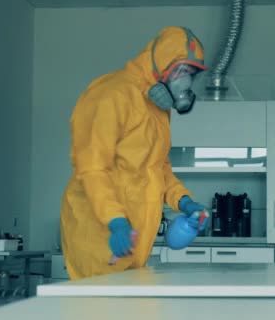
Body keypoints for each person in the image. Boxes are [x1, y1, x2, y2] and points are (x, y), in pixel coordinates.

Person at [61, 26, 210, 279]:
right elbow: (92, 167)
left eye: (192, 74)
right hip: (101, 238)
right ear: (161, 63)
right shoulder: (111, 94)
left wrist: (183, 201)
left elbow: (158, 168)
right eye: (182, 70)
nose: (186, 81)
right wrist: (115, 222)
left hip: (135, 240)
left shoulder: (159, 110)